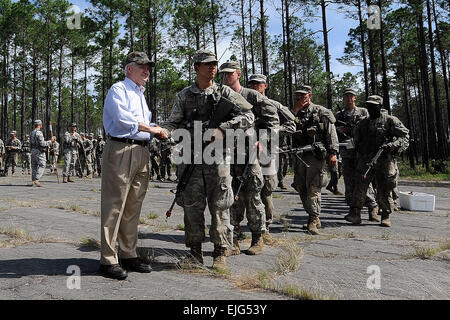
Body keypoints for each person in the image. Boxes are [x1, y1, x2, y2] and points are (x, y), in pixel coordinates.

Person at [160, 50, 254, 271]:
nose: (212, 67)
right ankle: (195, 253)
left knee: (221, 205)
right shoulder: (184, 96)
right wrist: (162, 131)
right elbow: (172, 122)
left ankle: (220, 253)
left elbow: (249, 116)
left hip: (218, 159)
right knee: (192, 206)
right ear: (196, 68)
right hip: (191, 160)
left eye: (214, 63)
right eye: (207, 64)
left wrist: (224, 128)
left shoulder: (225, 93)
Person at [100, 51, 167, 280]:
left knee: (133, 206)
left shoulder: (140, 93)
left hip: (141, 151)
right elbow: (121, 120)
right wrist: (152, 129)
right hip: (121, 150)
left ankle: (128, 253)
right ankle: (108, 259)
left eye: (148, 67)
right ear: (129, 68)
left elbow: (142, 123)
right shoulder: (118, 89)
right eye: (142, 67)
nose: (147, 71)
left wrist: (156, 129)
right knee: (114, 205)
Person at [219, 62, 279, 256]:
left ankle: (257, 237)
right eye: (224, 74)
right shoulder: (221, 97)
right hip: (228, 154)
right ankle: (234, 239)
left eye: (230, 74)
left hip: (250, 154)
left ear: (238, 74)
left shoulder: (252, 96)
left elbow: (273, 121)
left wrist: (263, 140)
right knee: (231, 196)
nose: (227, 77)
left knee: (253, 195)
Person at [345, 95, 409, 227]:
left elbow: (404, 136)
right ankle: (355, 213)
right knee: (359, 186)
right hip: (365, 159)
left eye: (374, 106)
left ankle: (385, 215)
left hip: (384, 159)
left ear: (380, 106)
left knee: (384, 187)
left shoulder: (390, 120)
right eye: (369, 105)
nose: (371, 108)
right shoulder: (363, 122)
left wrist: (393, 146)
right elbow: (356, 139)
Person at [248, 73, 296, 243]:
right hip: (246, 153)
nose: (255, 87)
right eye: (252, 84)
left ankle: (266, 226)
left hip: (268, 152)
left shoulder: (275, 106)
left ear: (265, 86)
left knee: (266, 189)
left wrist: (268, 132)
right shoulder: (244, 105)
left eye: (258, 84)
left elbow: (291, 125)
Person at [291, 85, 339, 235]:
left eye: (303, 95)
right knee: (300, 186)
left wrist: (333, 153)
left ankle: (313, 218)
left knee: (313, 187)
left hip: (315, 156)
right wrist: (295, 111)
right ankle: (313, 214)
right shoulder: (294, 113)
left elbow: (331, 134)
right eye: (298, 95)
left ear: (310, 95)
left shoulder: (321, 112)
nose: (300, 98)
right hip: (299, 155)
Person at [335, 88, 379, 221]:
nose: (348, 98)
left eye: (351, 96)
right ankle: (353, 210)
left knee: (364, 180)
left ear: (355, 98)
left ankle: (373, 207)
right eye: (346, 96)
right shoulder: (338, 115)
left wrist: (354, 128)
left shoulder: (363, 112)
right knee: (349, 181)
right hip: (347, 152)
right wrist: (340, 130)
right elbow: (333, 131)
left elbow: (369, 127)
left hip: (361, 152)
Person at [30, 120, 54, 187]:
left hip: (33, 150)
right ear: (39, 125)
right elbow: (42, 143)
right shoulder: (39, 133)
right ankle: (37, 179)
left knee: (34, 165)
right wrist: (50, 141)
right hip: (39, 151)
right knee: (42, 164)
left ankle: (33, 180)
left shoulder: (32, 132)